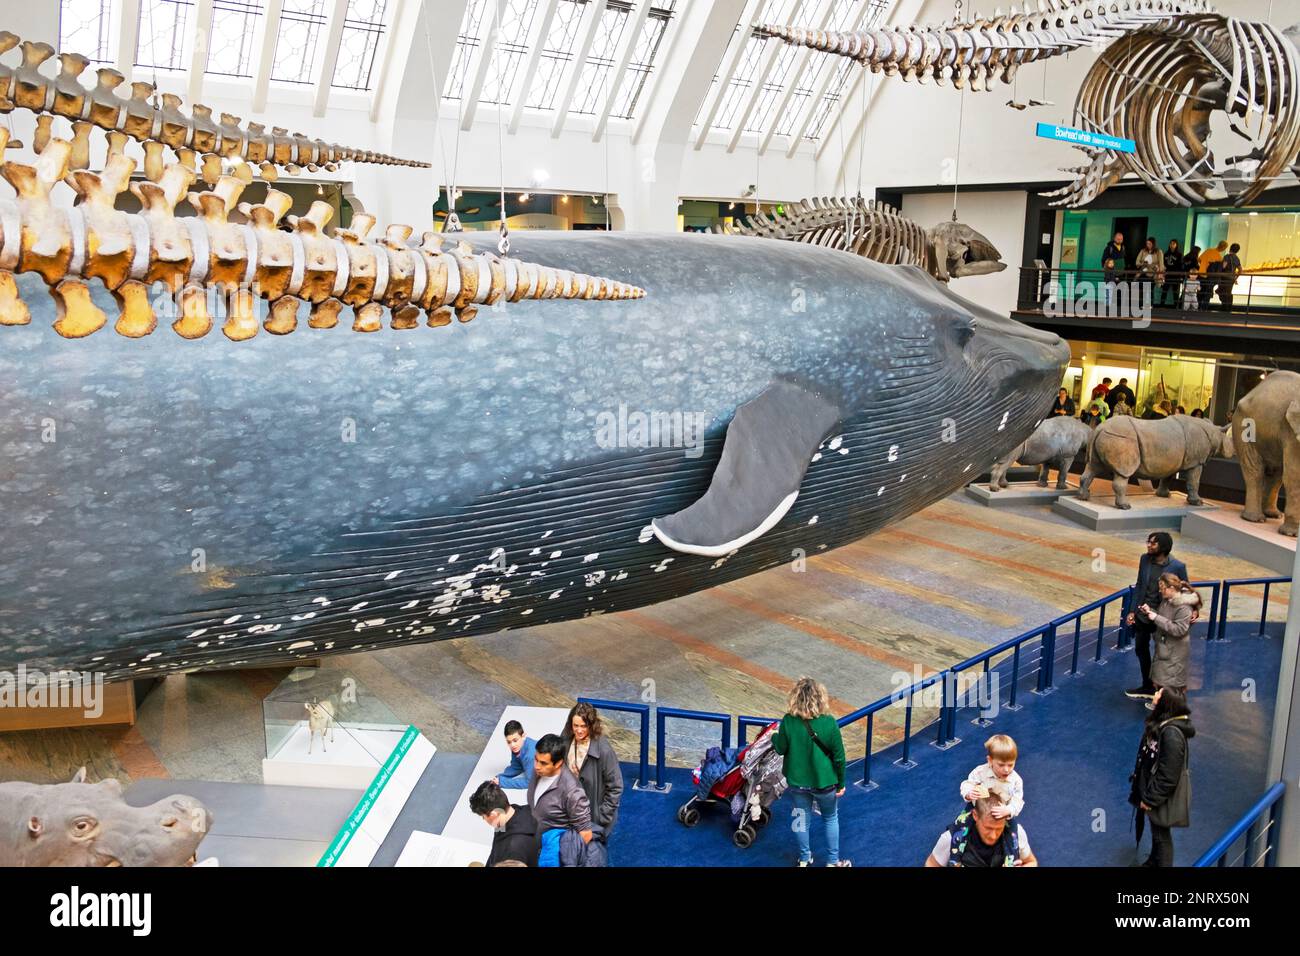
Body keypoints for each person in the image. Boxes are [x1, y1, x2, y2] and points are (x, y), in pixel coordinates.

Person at [772, 676, 850, 867]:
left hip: (798, 782)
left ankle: (804, 858)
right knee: (830, 818)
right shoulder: (829, 723)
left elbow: (780, 748)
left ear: (795, 697)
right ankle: (833, 861)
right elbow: (839, 758)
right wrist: (841, 783)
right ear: (820, 698)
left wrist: (775, 737)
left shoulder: (788, 721)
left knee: (800, 819)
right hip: (824, 782)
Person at [1128, 687, 1194, 867]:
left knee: (1161, 835)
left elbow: (1168, 776)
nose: (1155, 695)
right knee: (1157, 831)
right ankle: (1154, 860)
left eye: (1159, 694)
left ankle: (1161, 863)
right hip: (1151, 787)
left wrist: (1149, 799)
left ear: (1166, 703)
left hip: (1158, 795)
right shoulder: (1162, 724)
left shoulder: (1172, 735)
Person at [1126, 532, 1190, 701]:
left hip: (1164, 616)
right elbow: (1140, 585)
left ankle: (1161, 691)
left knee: (1163, 653)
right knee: (1141, 648)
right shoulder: (1144, 559)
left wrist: (1192, 610)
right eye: (1148, 542)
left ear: (1163, 547)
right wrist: (1133, 610)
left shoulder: (1177, 566)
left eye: (1153, 543)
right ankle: (1147, 685)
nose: (1148, 545)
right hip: (1143, 615)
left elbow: (1184, 590)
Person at [925, 783, 1039, 867]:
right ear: (975, 815)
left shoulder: (1017, 834)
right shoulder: (950, 838)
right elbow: (931, 864)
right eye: (988, 828)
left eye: (999, 829)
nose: (993, 836)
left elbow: (1031, 862)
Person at [561, 702, 624, 835]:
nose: (578, 730)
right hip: (571, 812)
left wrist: (602, 817)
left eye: (583, 726)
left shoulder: (604, 751)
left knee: (592, 853)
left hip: (593, 819)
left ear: (591, 725)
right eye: (575, 725)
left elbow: (616, 787)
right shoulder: (565, 740)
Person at [1138, 574, 1202, 699]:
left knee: (1172, 684)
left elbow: (1179, 629)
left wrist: (1156, 618)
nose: (1160, 591)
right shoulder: (1167, 600)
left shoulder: (1183, 607)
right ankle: (1163, 705)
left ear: (1171, 588)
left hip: (1174, 650)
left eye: (1162, 588)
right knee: (1163, 681)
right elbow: (1165, 617)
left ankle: (1168, 709)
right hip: (1165, 647)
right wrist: (1150, 611)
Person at [528, 733, 593, 843]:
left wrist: (564, 857)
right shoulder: (538, 772)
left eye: (543, 763)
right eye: (536, 759)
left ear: (558, 763)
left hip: (552, 853)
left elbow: (586, 834)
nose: (537, 766)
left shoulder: (572, 792)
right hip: (533, 845)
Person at [469, 779, 541, 866]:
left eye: (483, 816)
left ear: (493, 814)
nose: (484, 820)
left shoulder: (511, 850)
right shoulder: (523, 811)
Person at [959, 735, 1025, 819]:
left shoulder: (1016, 781)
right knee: (959, 827)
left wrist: (1009, 810)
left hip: (1001, 814)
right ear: (990, 760)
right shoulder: (980, 772)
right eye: (1001, 765)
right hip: (977, 810)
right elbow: (968, 783)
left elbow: (1017, 801)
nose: (1006, 769)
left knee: (1013, 831)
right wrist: (968, 793)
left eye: (1010, 765)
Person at [495, 720, 537, 790]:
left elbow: (530, 783)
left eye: (515, 740)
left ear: (523, 736)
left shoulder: (530, 755)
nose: (512, 745)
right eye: (509, 742)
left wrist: (502, 782)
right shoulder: (517, 747)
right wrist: (500, 777)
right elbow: (516, 766)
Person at [1101, 231, 1126, 306]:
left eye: (1121, 239)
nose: (1119, 241)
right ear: (1114, 238)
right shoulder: (1109, 248)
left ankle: (1117, 306)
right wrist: (1107, 272)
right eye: (1118, 239)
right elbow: (1104, 260)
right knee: (1110, 288)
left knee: (1119, 289)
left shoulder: (1123, 247)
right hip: (1111, 273)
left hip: (1121, 273)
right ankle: (1107, 305)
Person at [1199, 241, 1226, 309]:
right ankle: (1204, 309)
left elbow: (1199, 259)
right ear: (1223, 248)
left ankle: (1197, 307)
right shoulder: (1219, 257)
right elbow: (1218, 270)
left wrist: (1203, 266)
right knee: (1207, 294)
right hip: (1210, 277)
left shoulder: (1208, 250)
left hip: (1201, 274)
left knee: (1200, 292)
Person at [1136, 237, 1161, 307]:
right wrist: (1143, 264)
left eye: (1150, 244)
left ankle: (1150, 304)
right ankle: (1142, 304)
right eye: (1147, 243)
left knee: (1150, 289)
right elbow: (1137, 262)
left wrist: (1159, 272)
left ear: (1153, 244)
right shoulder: (1143, 251)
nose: (1148, 245)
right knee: (1143, 289)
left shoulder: (1158, 251)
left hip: (1153, 273)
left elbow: (1161, 264)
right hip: (1143, 272)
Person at [1218, 242, 1242, 310]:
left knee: (1222, 292)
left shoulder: (1226, 257)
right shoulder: (1237, 258)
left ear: (1230, 248)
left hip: (1224, 277)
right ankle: (1228, 307)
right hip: (1231, 278)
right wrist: (1235, 277)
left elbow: (1223, 266)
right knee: (1228, 292)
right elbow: (1240, 270)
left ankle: (1224, 307)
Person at [1159, 239, 1183, 307]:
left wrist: (1179, 275)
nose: (1172, 245)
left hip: (1175, 276)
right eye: (1171, 243)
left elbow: (1180, 266)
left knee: (1175, 293)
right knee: (1164, 291)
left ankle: (1176, 307)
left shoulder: (1179, 254)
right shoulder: (1166, 254)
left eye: (1173, 244)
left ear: (1176, 245)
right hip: (1167, 276)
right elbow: (1164, 264)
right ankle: (1161, 306)